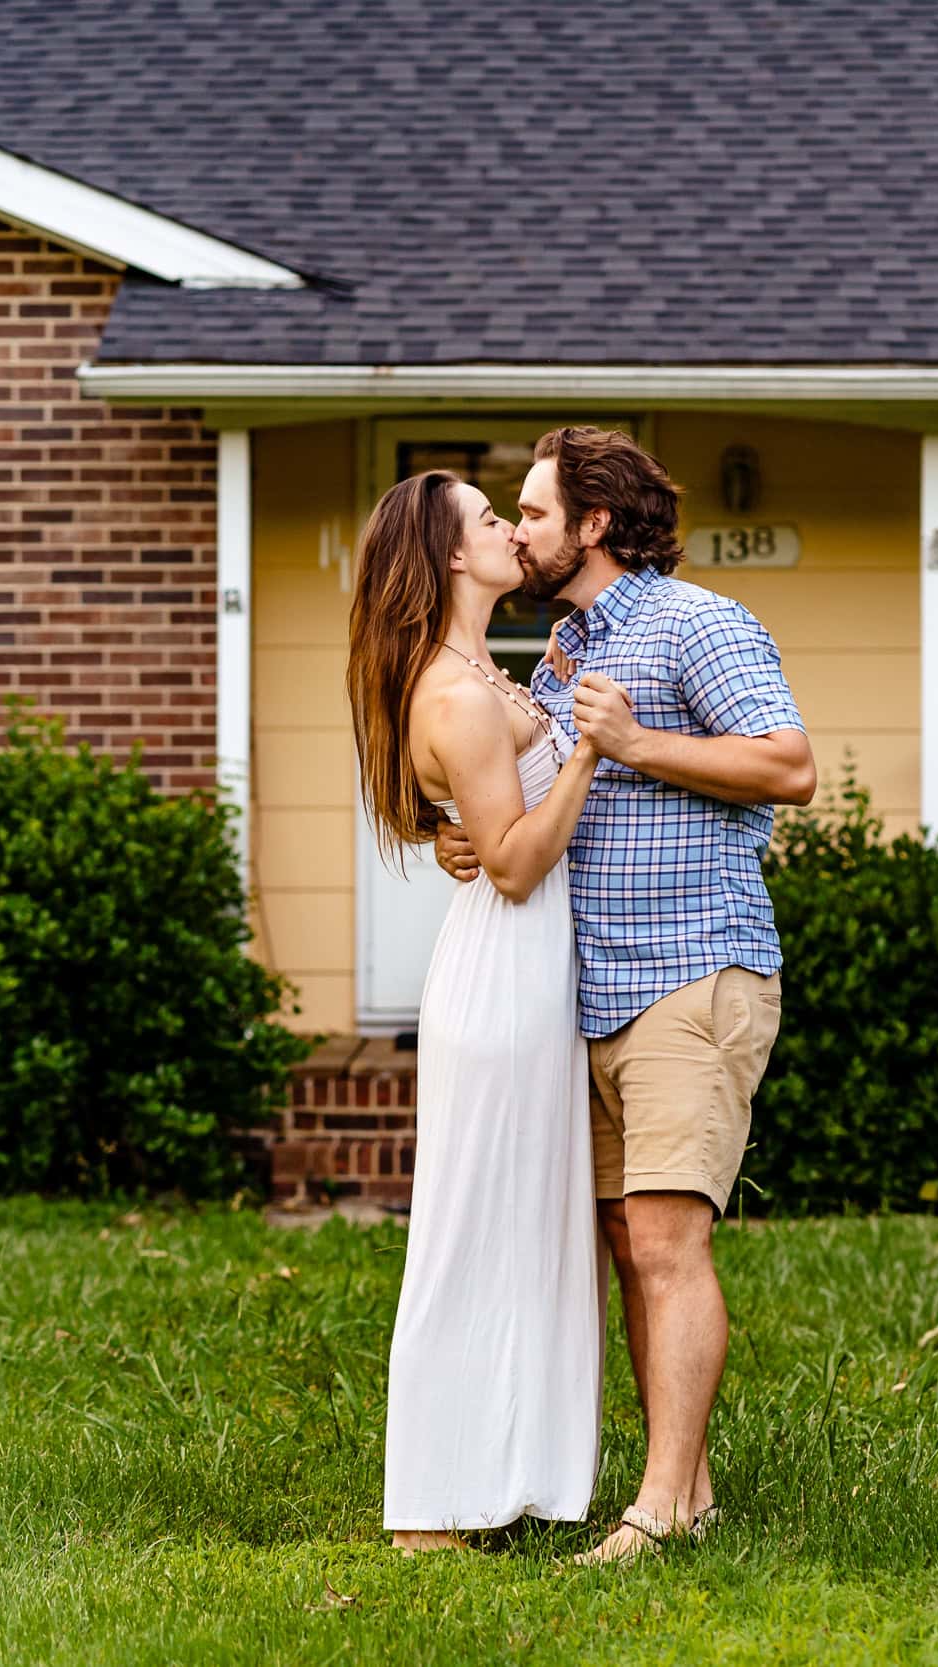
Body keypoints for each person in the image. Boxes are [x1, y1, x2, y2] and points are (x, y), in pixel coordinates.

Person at [436, 426, 816, 1563]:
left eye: (536, 512)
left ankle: (653, 1513)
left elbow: (789, 763)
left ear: (594, 523)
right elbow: (542, 790)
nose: (520, 529)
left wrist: (642, 741)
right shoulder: (560, 648)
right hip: (589, 990)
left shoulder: (696, 622)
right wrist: (467, 835)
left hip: (692, 970)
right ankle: (682, 1487)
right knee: (621, 1239)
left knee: (664, 1240)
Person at [346, 469, 604, 1552]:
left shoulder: (473, 669)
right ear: (452, 556)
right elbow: (508, 861)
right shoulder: (454, 692)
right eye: (490, 520)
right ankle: (432, 1508)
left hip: (527, 973)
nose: (508, 528)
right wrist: (595, 746)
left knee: (522, 1229)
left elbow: (460, 823)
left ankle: (500, 1477)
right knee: (473, 1231)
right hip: (502, 975)